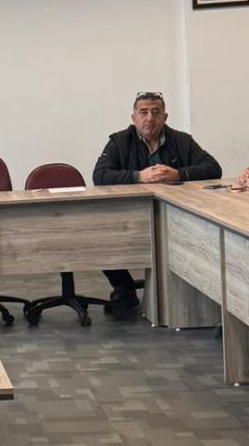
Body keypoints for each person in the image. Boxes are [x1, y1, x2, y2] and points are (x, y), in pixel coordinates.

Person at [94, 91, 222, 316]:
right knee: (102, 238)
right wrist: (138, 176)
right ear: (133, 118)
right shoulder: (119, 142)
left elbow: (213, 168)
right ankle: (124, 289)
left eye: (155, 112)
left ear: (165, 117)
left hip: (176, 215)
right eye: (143, 112)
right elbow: (100, 175)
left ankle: (188, 291)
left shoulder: (182, 141)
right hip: (130, 216)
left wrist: (178, 174)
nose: (149, 118)